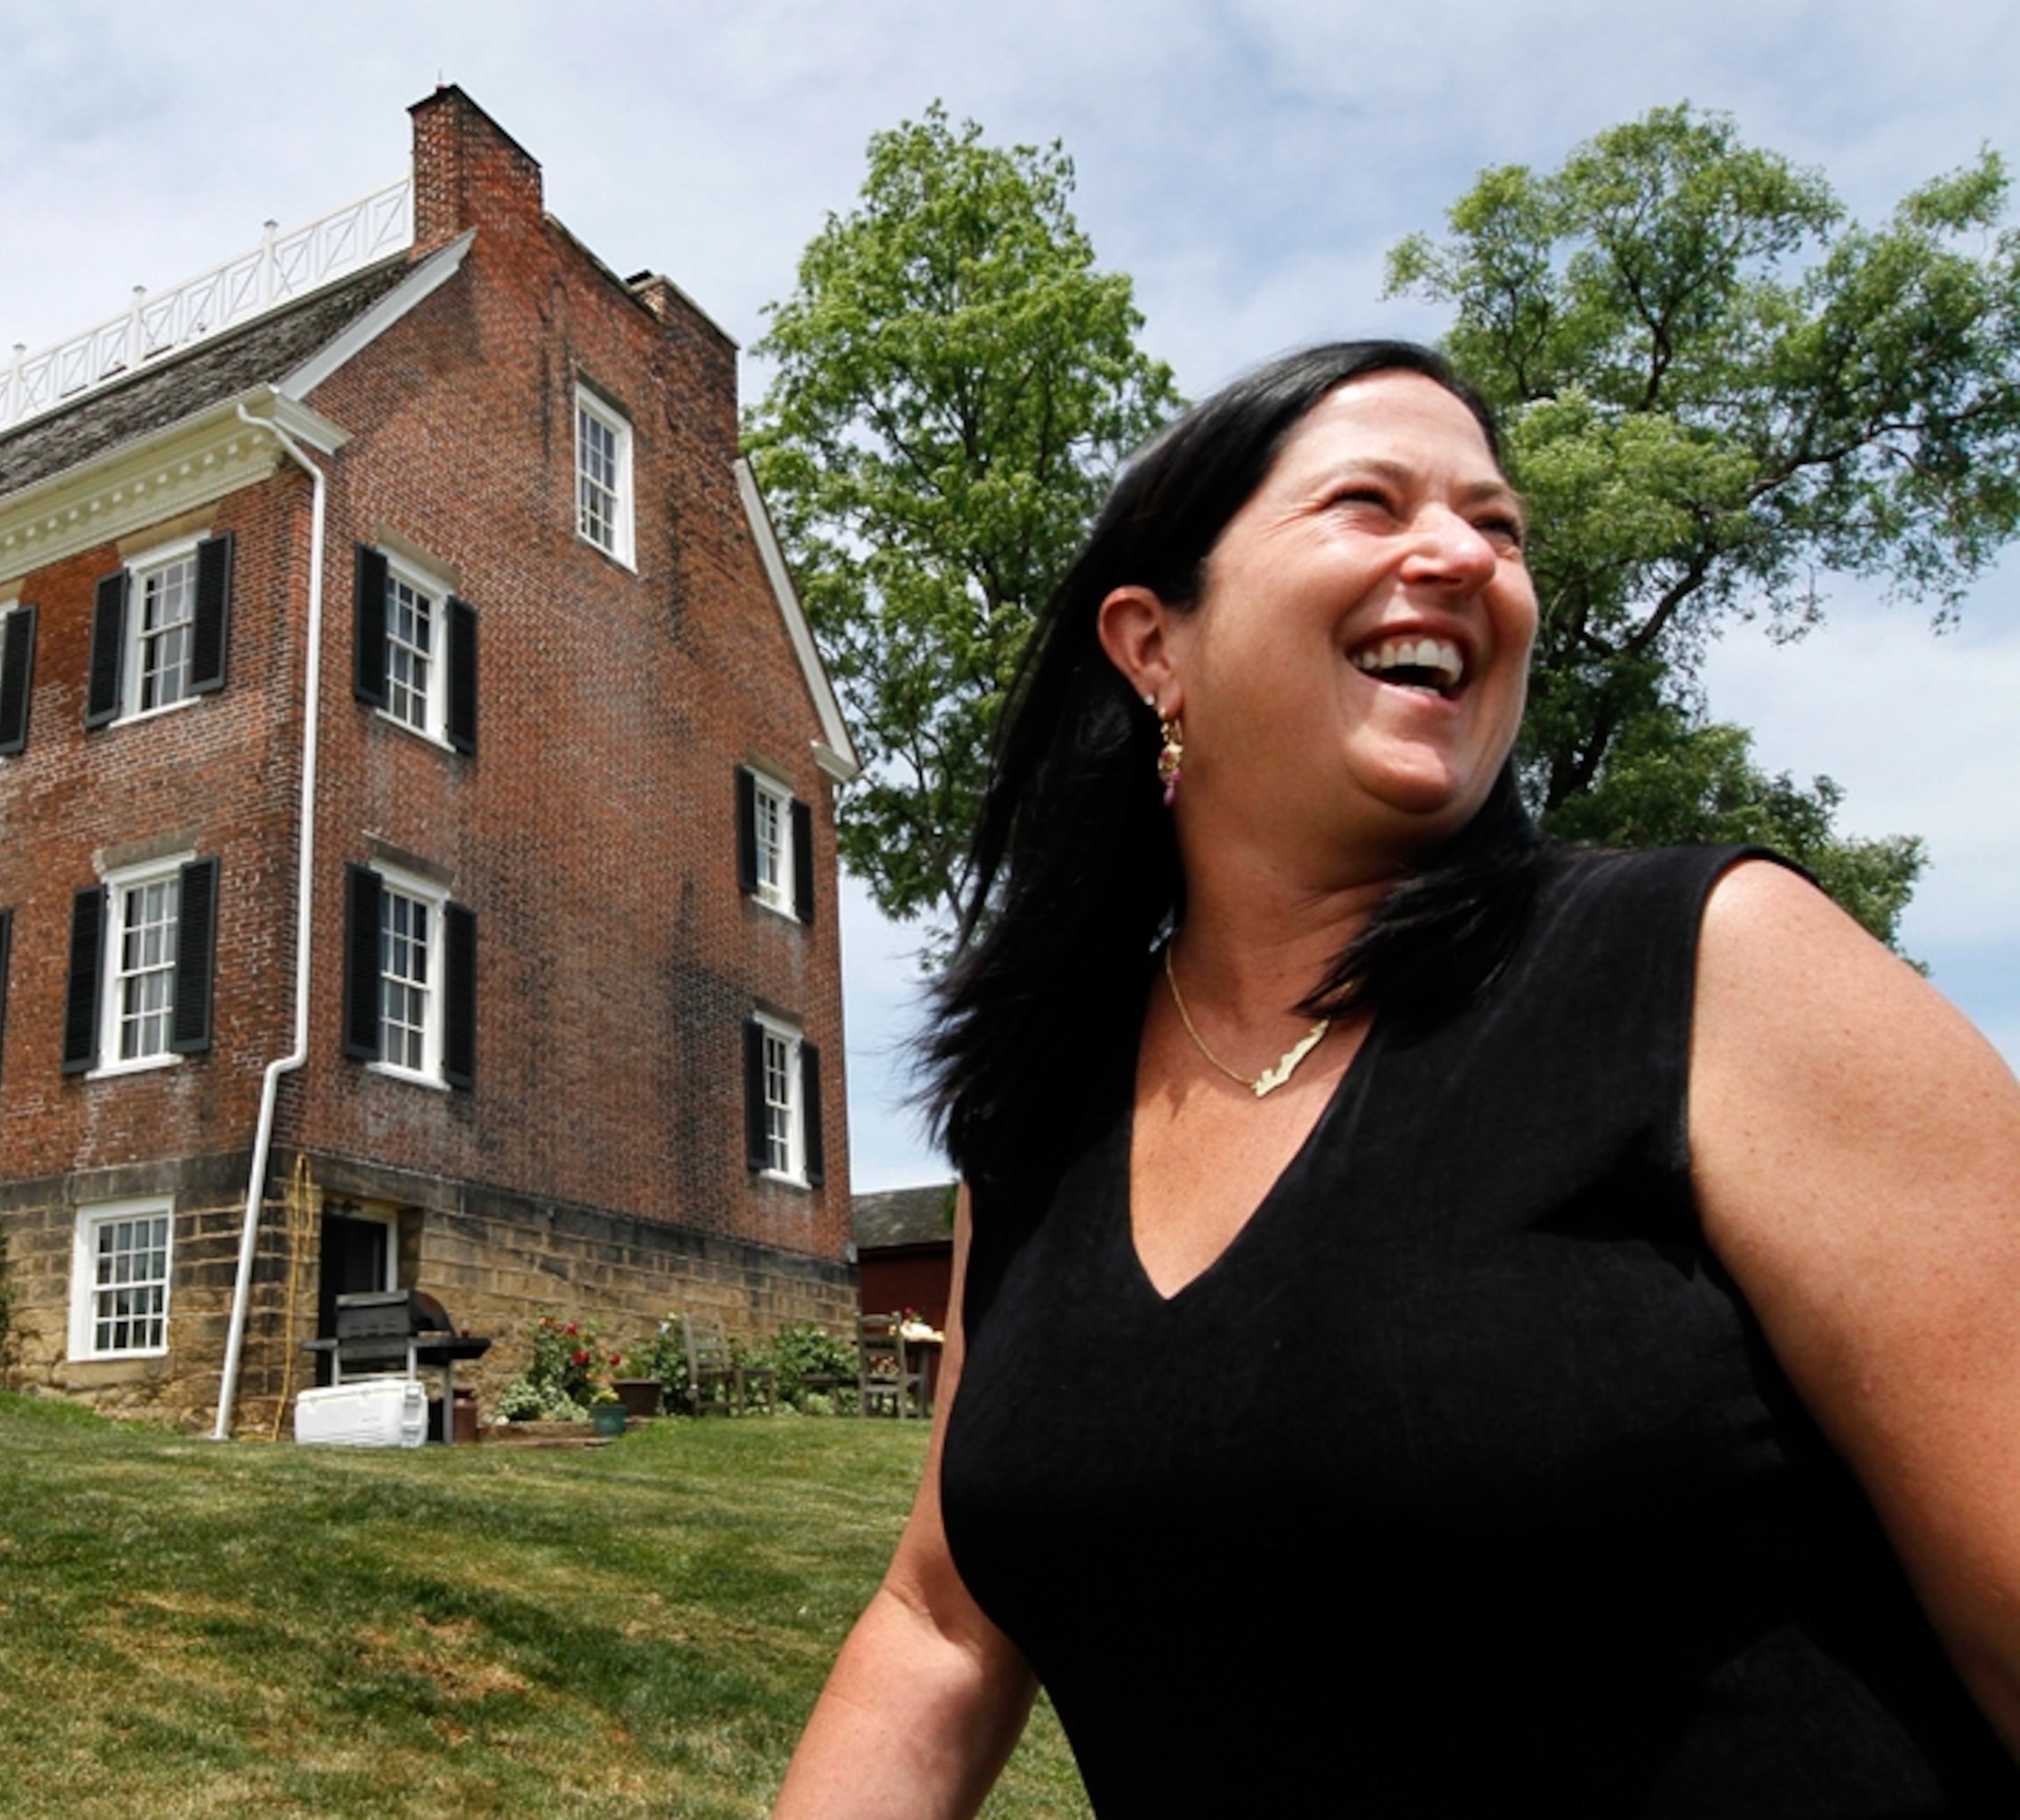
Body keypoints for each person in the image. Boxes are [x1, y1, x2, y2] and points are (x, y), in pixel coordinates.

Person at [772, 342, 2020, 1816]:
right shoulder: (1037, 1117)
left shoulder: (1712, 969)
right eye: (1369, 501)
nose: (1462, 556)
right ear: (1150, 643)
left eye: (1497, 529)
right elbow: (943, 1622)